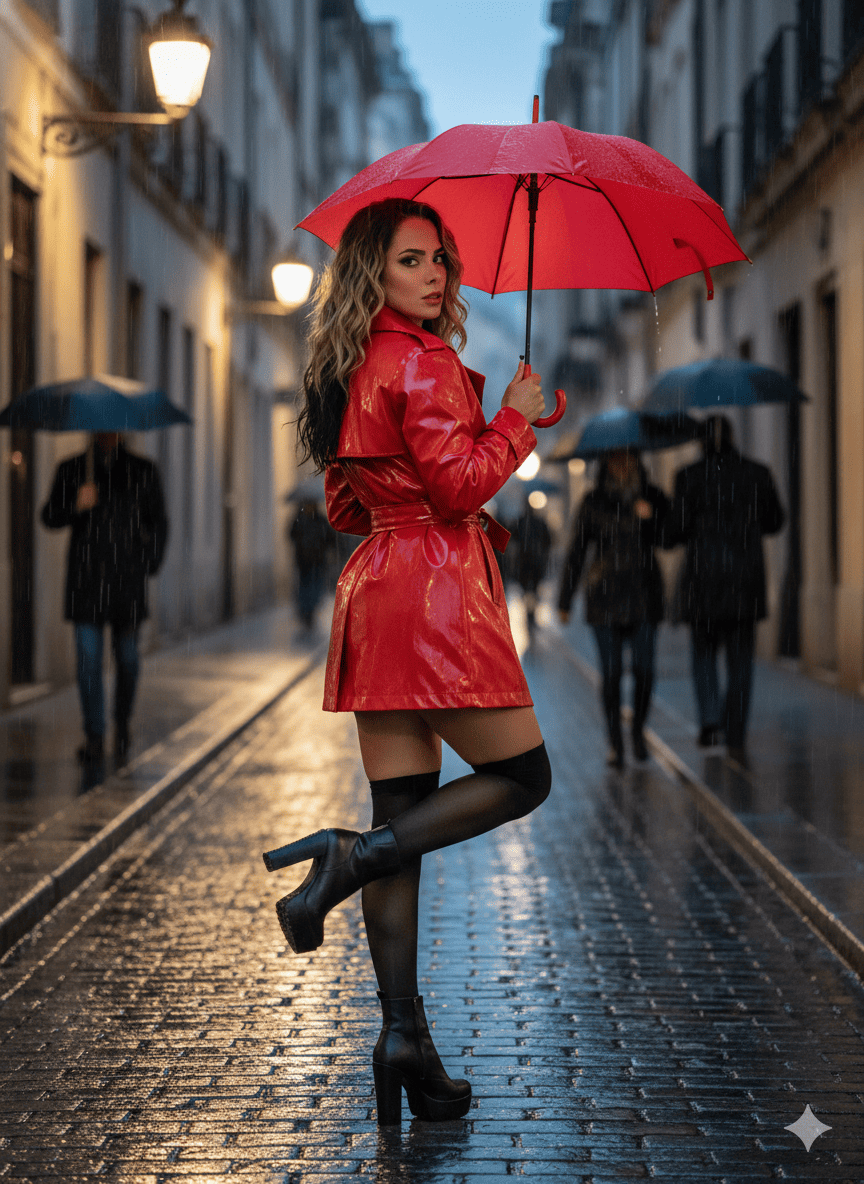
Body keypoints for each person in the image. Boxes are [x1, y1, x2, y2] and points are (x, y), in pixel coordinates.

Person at [261, 198, 551, 1126]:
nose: (436, 274)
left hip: (377, 587)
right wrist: (512, 420)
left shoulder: (353, 362)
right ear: (375, 275)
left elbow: (347, 506)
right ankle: (351, 859)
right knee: (522, 776)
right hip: (436, 596)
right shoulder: (423, 361)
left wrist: (433, 477)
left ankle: (402, 1041)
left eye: (441, 260)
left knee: (405, 811)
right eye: (414, 260)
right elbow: (459, 484)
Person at [41, 432, 168, 770]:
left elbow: (160, 523)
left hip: (127, 583)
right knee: (88, 661)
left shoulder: (142, 471)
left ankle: (122, 722)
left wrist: (147, 562)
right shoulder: (73, 470)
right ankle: (95, 735)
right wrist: (75, 505)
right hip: (86, 584)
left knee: (127, 660)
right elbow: (49, 516)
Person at [669, 414, 785, 759]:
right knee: (741, 662)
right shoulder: (757, 474)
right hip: (744, 583)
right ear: (732, 437)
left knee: (703, 656)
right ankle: (735, 731)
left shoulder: (688, 477)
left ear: (702, 442)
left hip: (703, 582)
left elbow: (674, 532)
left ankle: (709, 719)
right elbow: (775, 521)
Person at [557, 449, 670, 767]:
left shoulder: (653, 496)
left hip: (645, 593)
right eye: (615, 459)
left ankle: (637, 732)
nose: (622, 464)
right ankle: (615, 742)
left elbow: (670, 538)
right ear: (606, 464)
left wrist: (652, 519)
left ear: (636, 460)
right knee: (611, 673)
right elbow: (576, 551)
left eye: (628, 458)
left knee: (645, 670)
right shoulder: (593, 501)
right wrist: (565, 600)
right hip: (604, 595)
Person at [288, 498, 334, 628]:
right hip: (305, 560)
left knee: (313, 585)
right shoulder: (303, 520)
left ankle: (309, 610)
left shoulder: (310, 519)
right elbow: (291, 535)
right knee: (307, 584)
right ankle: (306, 610)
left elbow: (330, 537)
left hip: (316, 559)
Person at [513, 499, 552, 632]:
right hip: (536, 563)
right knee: (533, 590)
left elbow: (512, 537)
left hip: (524, 564)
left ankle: (529, 614)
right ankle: (531, 614)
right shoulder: (540, 522)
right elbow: (548, 540)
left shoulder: (521, 522)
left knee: (526, 591)